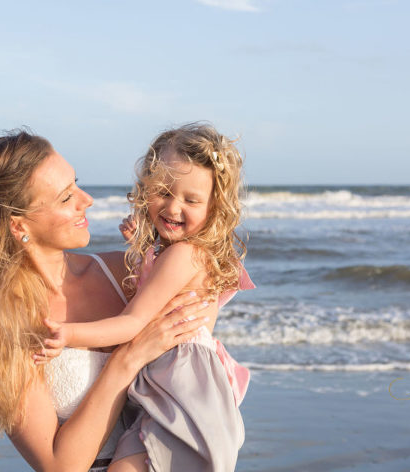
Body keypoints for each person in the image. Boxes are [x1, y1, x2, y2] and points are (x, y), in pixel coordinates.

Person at [0, 129, 211, 472]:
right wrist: (127, 359)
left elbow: (196, 350)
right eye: (64, 197)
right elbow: (60, 467)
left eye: (77, 183)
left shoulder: (124, 271)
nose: (86, 199)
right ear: (18, 226)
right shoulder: (2, 322)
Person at [40, 123, 254, 472]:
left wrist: (69, 335)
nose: (173, 207)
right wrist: (144, 249)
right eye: (164, 191)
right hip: (171, 386)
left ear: (215, 208)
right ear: (145, 189)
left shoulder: (183, 255)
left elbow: (133, 322)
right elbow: (156, 291)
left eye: (191, 199)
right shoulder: (176, 253)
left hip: (182, 394)